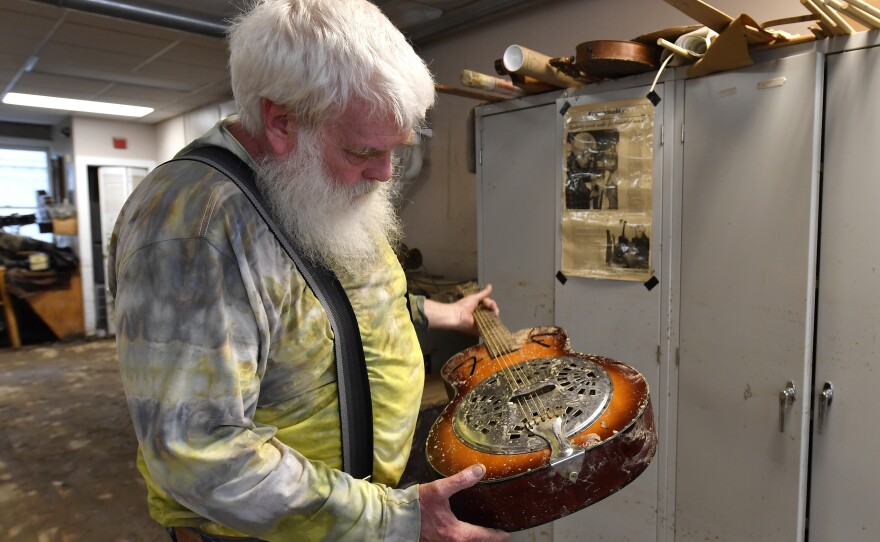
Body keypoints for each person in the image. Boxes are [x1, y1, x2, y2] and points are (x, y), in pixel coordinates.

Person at [107, 1, 509, 541]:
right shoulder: (193, 230)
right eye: (364, 149)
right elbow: (198, 453)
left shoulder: (315, 185)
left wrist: (440, 314)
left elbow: (339, 307)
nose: (385, 173)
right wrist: (394, 520)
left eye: (398, 149)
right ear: (280, 122)